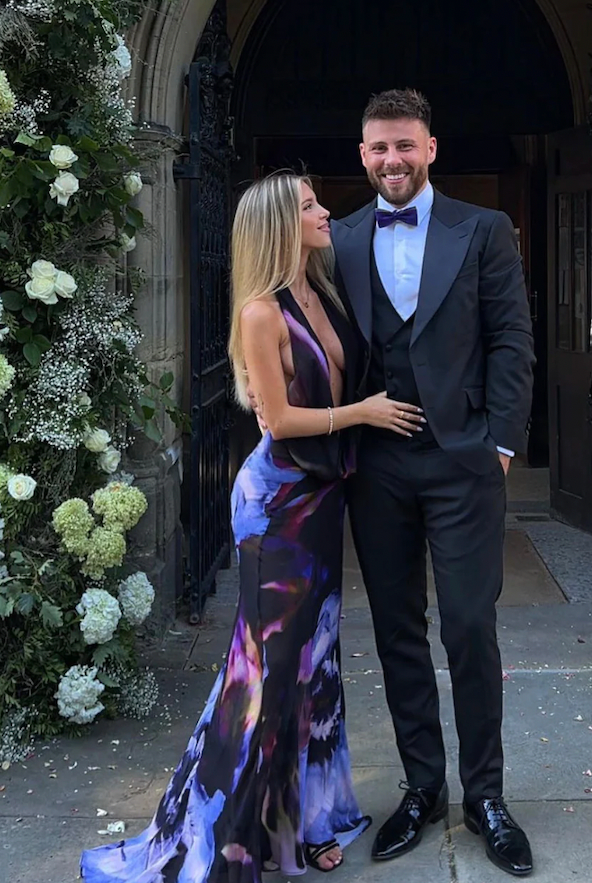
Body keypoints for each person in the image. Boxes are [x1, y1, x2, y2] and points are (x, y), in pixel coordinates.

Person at [80, 173, 424, 882]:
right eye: (309, 206)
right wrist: (364, 414)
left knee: (314, 663)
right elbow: (279, 418)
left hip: (323, 497)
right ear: (278, 226)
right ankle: (233, 837)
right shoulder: (261, 313)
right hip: (277, 507)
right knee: (267, 673)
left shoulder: (322, 291)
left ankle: (305, 821)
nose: (324, 212)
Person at [330, 89, 536, 877]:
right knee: (396, 630)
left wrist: (500, 446)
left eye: (405, 145)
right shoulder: (340, 238)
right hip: (377, 465)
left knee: (470, 626)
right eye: (380, 148)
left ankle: (487, 796)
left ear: (430, 149)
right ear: (363, 156)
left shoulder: (482, 230)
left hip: (463, 460)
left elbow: (511, 339)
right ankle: (422, 788)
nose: (393, 160)